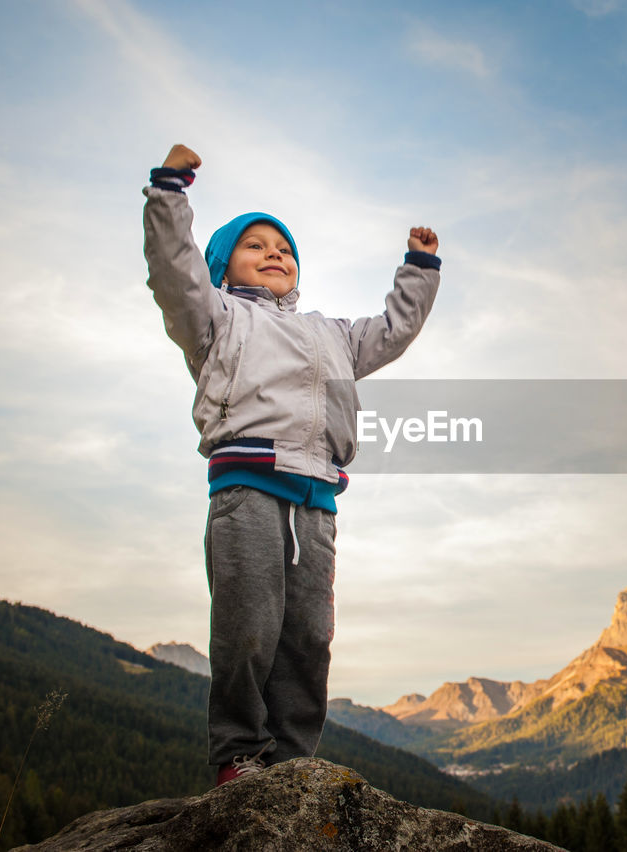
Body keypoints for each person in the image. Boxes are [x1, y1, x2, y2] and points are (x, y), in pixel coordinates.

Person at [142, 143, 440, 785]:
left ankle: (292, 763)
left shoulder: (330, 333)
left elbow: (393, 329)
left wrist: (418, 268)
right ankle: (238, 754)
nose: (275, 252)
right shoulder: (217, 321)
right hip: (247, 489)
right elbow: (174, 270)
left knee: (308, 636)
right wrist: (170, 191)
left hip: (317, 503)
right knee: (249, 627)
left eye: (284, 247)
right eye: (256, 245)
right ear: (223, 270)